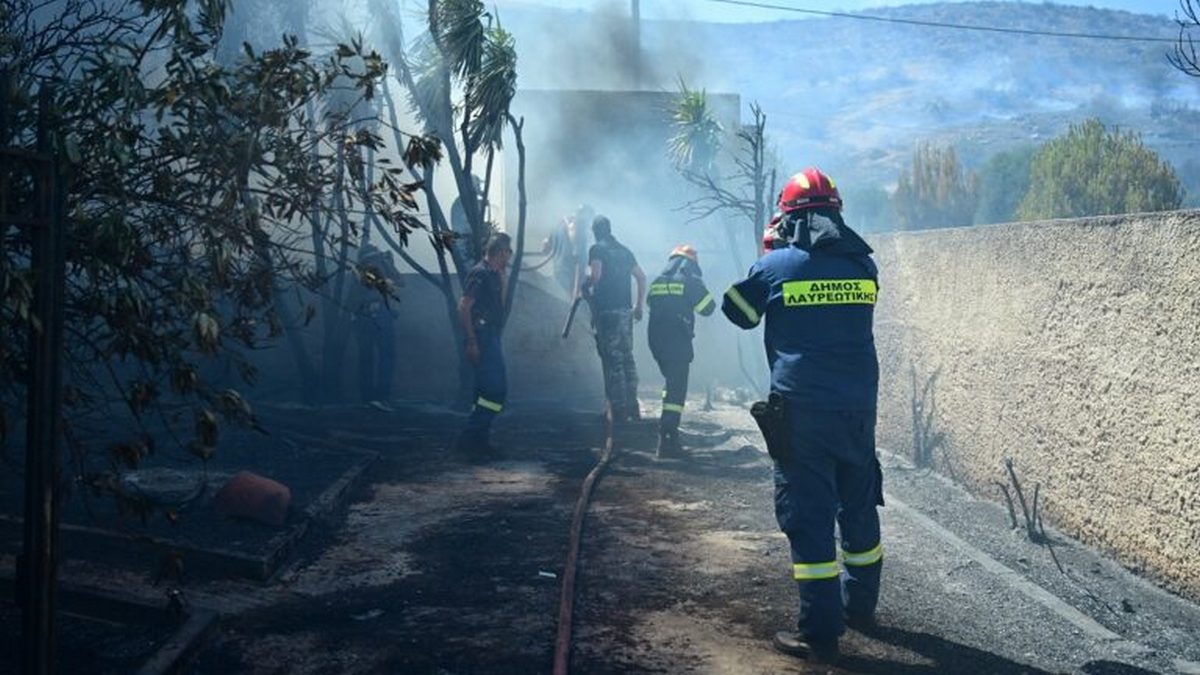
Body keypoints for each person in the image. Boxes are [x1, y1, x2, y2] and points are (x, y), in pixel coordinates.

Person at [721, 168, 883, 664]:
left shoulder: (779, 266)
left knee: (809, 517)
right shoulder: (863, 267)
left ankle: (820, 633)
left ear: (789, 220)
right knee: (857, 506)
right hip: (858, 408)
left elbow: (737, 312)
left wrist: (767, 255)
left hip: (803, 414)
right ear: (835, 214)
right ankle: (860, 608)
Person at [646, 244, 716, 458]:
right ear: (690, 264)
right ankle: (667, 441)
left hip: (656, 341)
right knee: (677, 390)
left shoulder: (657, 280)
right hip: (676, 341)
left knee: (671, 385)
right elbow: (708, 308)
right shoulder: (690, 280)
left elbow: (650, 303)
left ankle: (667, 434)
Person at [455, 232, 513, 460]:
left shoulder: (493, 274)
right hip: (483, 337)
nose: (510, 256)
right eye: (509, 251)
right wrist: (472, 341)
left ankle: (479, 442)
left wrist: (503, 277)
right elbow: (464, 306)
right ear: (500, 252)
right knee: (496, 390)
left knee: (485, 392)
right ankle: (469, 440)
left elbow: (500, 304)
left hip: (491, 335)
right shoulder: (480, 273)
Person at [584, 215, 646, 422]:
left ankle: (618, 410)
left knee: (613, 361)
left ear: (595, 231)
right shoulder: (625, 251)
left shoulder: (597, 250)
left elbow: (596, 276)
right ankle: (633, 406)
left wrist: (586, 283)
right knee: (627, 357)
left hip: (607, 312)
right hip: (625, 312)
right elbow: (641, 276)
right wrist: (638, 306)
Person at [351, 242, 404, 405]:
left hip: (363, 314)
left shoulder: (358, 268)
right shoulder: (382, 261)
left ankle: (367, 398)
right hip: (381, 312)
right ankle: (383, 397)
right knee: (386, 356)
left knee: (366, 356)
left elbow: (354, 295)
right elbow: (400, 281)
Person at [542, 204, 593, 299]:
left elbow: (546, 249)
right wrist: (576, 290)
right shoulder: (579, 226)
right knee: (572, 305)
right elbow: (580, 260)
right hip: (570, 274)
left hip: (558, 271)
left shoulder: (559, 223)